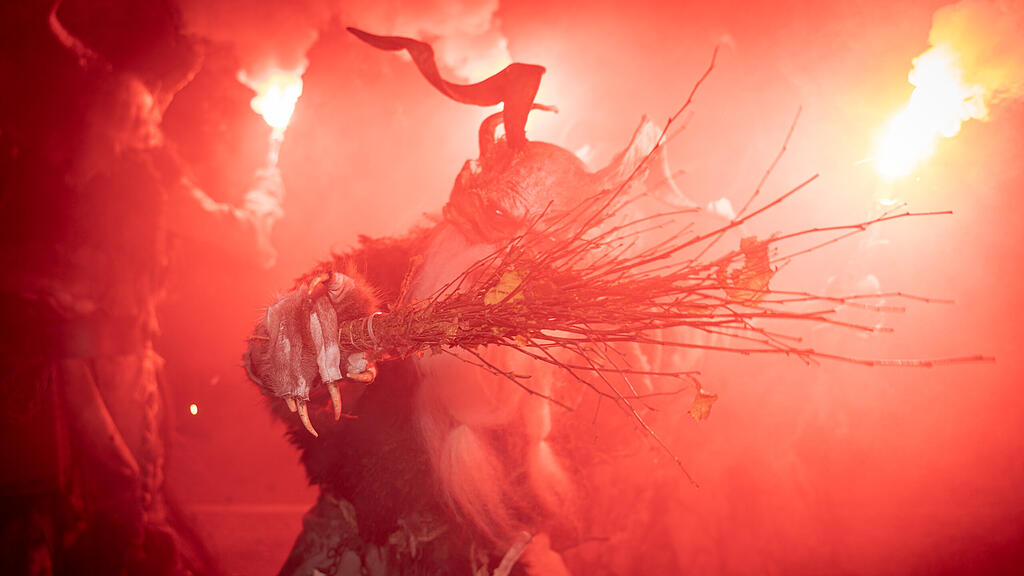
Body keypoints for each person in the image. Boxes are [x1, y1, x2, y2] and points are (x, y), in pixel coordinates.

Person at [0, 2, 282, 574]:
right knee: (118, 497)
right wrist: (268, 186)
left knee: (106, 497)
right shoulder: (133, 177)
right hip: (79, 357)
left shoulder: (96, 168)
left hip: (93, 352)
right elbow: (236, 233)